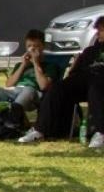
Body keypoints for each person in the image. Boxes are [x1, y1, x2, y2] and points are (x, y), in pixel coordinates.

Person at [19, 16, 104, 148]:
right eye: (97, 30)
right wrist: (74, 68)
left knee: (96, 86)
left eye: (101, 30)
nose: (97, 33)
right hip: (84, 81)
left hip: (100, 84)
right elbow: (74, 74)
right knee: (58, 87)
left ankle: (100, 132)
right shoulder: (90, 52)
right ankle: (40, 130)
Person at [0, 29, 62, 115]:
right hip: (14, 92)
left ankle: (13, 115)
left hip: (33, 95)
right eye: (29, 46)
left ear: (43, 47)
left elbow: (43, 87)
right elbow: (8, 85)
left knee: (28, 89)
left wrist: (36, 63)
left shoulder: (50, 66)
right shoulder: (20, 64)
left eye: (36, 46)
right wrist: (23, 65)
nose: (32, 49)